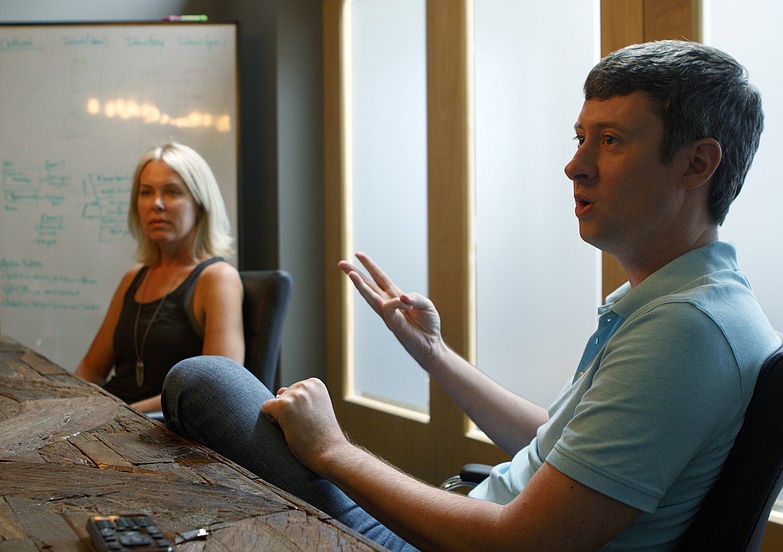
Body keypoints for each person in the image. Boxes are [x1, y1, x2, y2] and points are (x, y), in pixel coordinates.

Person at [161, 40, 781, 550]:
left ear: (698, 165)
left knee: (205, 383)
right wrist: (436, 355)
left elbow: (518, 542)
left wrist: (331, 449)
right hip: (471, 521)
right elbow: (561, 444)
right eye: (580, 136)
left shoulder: (685, 329)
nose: (577, 165)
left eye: (612, 140)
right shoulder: (703, 302)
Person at [76, 142, 244, 412]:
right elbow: (91, 370)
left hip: (161, 431)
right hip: (111, 421)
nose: (156, 204)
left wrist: (123, 414)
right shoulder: (134, 277)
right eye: (146, 192)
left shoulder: (217, 278)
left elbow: (218, 388)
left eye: (172, 192)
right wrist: (64, 409)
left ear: (200, 204)